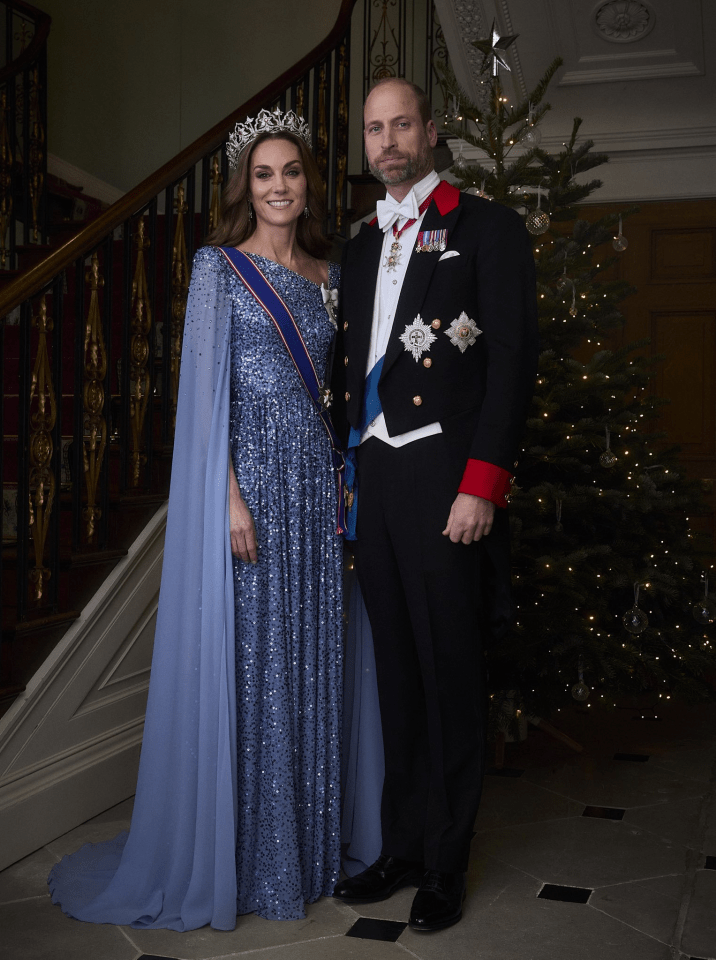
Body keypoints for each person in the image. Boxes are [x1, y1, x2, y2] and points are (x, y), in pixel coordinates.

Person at [48, 108, 345, 931]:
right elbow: (201, 397)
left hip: (314, 487)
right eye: (264, 174)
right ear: (244, 188)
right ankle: (247, 856)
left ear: (307, 183)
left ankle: (307, 848)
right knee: (256, 663)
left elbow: (337, 393)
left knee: (308, 655)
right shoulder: (218, 269)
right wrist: (227, 497)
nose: (279, 186)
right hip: (249, 486)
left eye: (291, 172)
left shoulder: (328, 275)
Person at [331, 78, 539, 932]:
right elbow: (352, 370)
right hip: (376, 480)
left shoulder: (486, 228)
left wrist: (481, 483)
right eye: (374, 129)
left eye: (401, 124)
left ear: (431, 130)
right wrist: (349, 472)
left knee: (450, 672)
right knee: (398, 676)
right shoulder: (355, 246)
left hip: (447, 482)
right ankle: (405, 845)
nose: (387, 141)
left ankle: (447, 862)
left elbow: (512, 364)